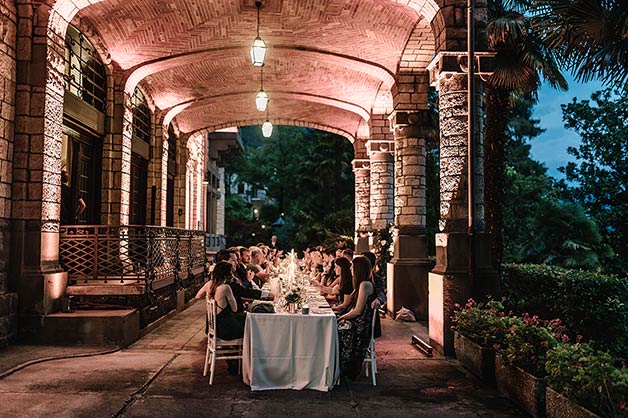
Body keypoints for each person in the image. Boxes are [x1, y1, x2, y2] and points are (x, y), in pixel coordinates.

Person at [337, 255, 376, 379]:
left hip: (359, 326)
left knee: (335, 330)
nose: (350, 270)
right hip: (356, 321)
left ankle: (341, 367)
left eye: (353, 267)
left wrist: (341, 317)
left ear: (358, 269)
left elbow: (358, 311)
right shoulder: (360, 284)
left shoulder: (365, 285)